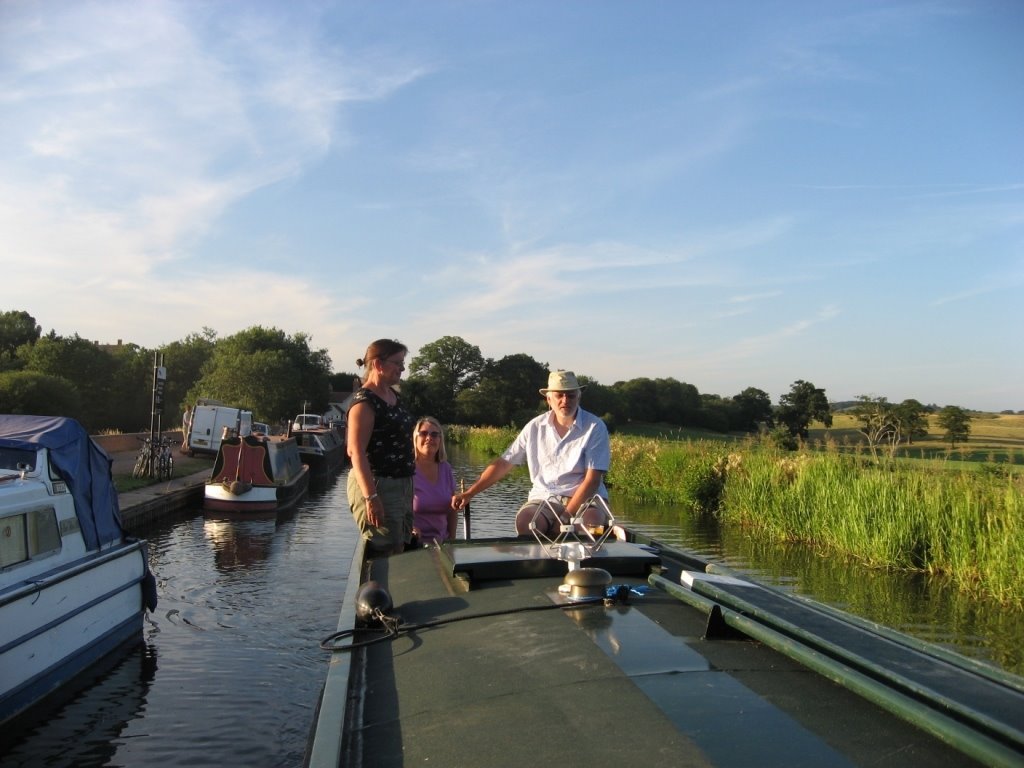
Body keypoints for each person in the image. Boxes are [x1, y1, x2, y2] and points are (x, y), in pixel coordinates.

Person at [453, 370, 610, 537]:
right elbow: (504, 464)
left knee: (591, 527)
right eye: (559, 396)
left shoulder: (595, 427)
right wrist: (470, 493)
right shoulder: (534, 427)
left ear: (578, 398)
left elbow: (592, 481)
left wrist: (564, 518)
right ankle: (538, 561)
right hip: (546, 498)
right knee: (526, 523)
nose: (565, 401)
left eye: (571, 396)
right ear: (549, 399)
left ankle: (588, 559)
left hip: (585, 501)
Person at [346, 339, 415, 556]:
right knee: (385, 550)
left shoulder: (394, 396)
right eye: (397, 363)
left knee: (399, 547)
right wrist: (371, 497)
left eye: (403, 363)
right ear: (377, 364)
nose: (402, 368)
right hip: (379, 486)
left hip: (402, 485)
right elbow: (355, 452)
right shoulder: (365, 403)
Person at [411, 416, 458, 545]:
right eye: (424, 433)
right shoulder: (407, 470)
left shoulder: (446, 468)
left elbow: (452, 511)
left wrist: (452, 543)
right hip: (414, 546)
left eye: (434, 434)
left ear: (440, 439)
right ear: (416, 438)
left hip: (442, 544)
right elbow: (397, 508)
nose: (429, 438)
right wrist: (408, 529)